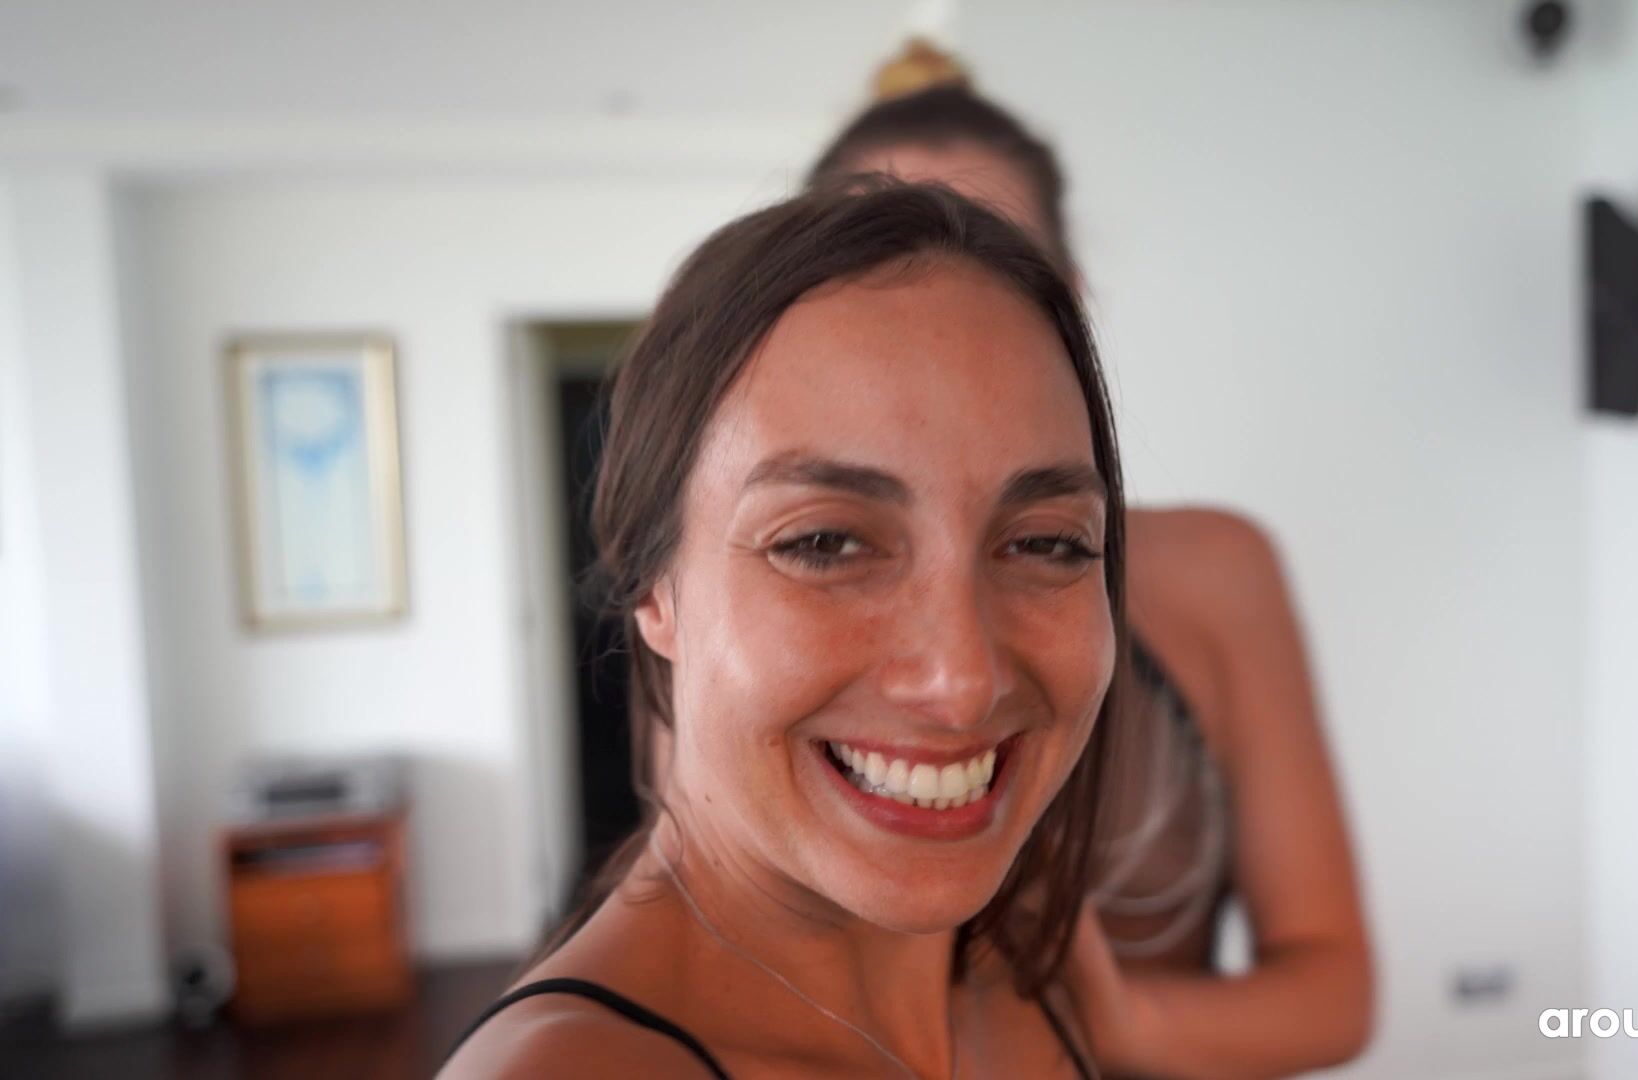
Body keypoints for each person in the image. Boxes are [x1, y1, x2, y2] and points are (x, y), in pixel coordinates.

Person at [443, 182, 1125, 1077]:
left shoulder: (1029, 964)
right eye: (824, 543)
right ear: (653, 586)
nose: (962, 682)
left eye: (1044, 543)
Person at [806, 42, 1375, 1078]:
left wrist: (1114, 1023)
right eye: (869, 276)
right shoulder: (736, 606)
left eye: (989, 269)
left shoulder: (1213, 572)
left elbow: (1332, 992)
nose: (959, 677)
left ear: (1065, 304)